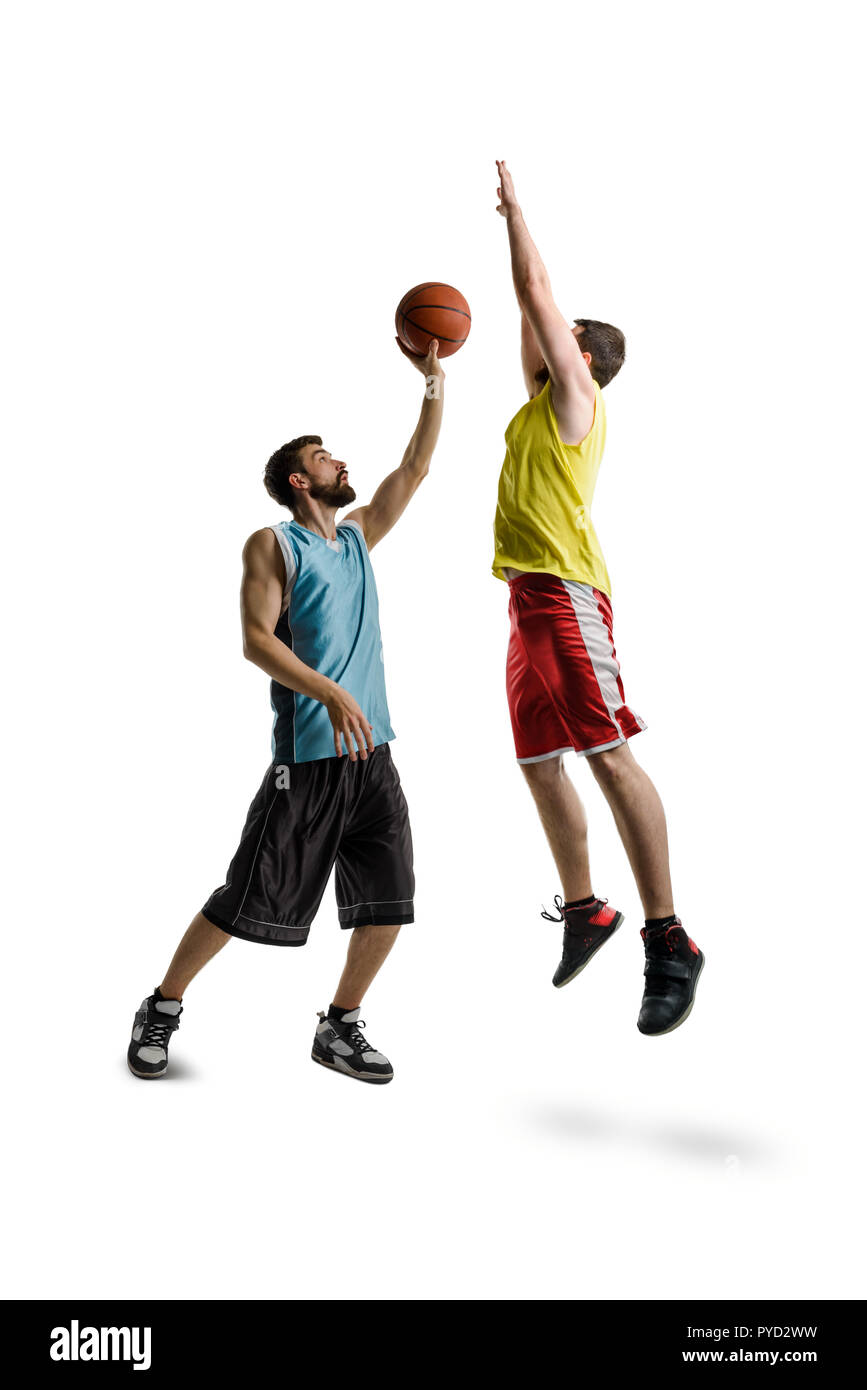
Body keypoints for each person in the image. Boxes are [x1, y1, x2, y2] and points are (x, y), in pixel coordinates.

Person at [127, 337, 445, 1084]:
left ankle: (338, 1027)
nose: (343, 462)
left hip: (373, 757)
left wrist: (433, 385)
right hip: (306, 761)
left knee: (387, 904)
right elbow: (253, 643)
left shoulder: (360, 538)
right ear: (302, 480)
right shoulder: (273, 543)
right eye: (327, 456)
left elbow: (416, 468)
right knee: (245, 901)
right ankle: (162, 1006)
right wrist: (329, 691)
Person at [491, 159, 704, 1035]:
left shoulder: (577, 397)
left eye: (558, 332)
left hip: (568, 597)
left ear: (582, 355)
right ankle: (587, 910)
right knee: (540, 763)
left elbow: (535, 287)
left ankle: (670, 937)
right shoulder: (540, 403)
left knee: (609, 755)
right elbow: (524, 306)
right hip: (525, 602)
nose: (542, 335)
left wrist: (514, 210)